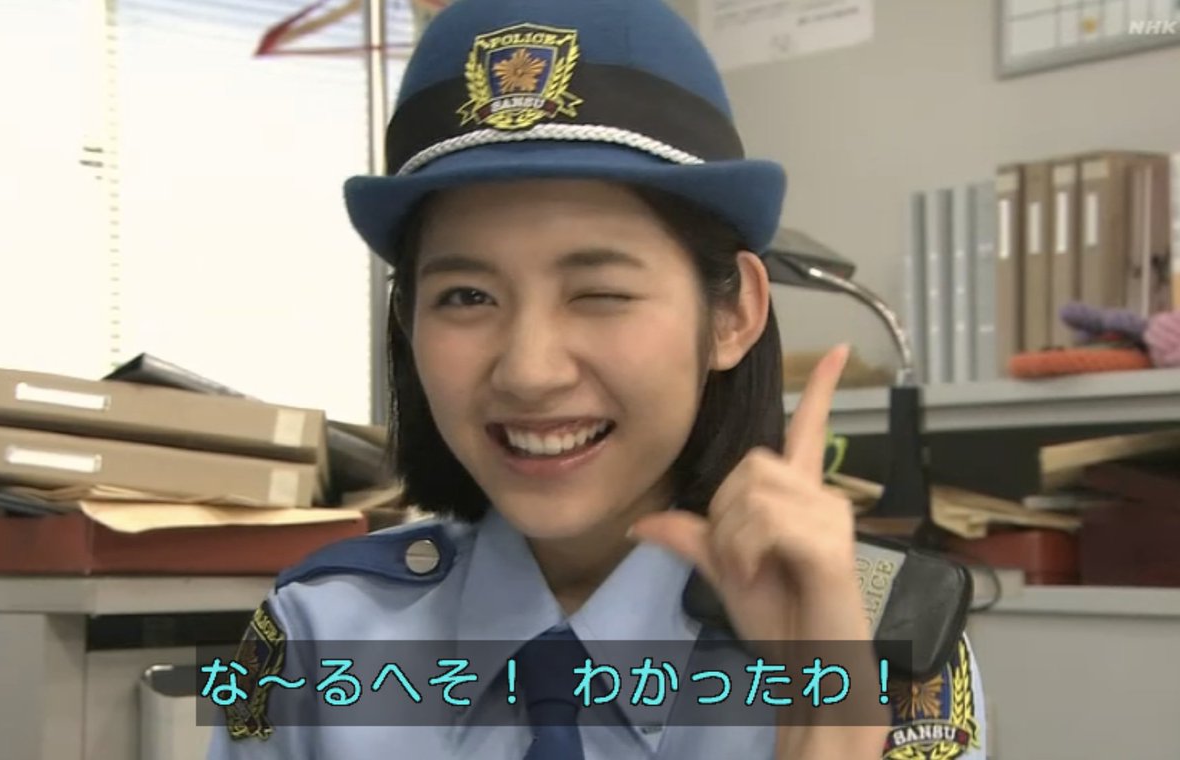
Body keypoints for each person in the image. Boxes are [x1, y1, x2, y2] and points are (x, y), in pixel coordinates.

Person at [206, 0, 986, 757]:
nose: (530, 371)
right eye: (467, 297)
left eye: (601, 293)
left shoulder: (878, 648)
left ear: (732, 313)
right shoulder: (317, 641)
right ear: (408, 322)